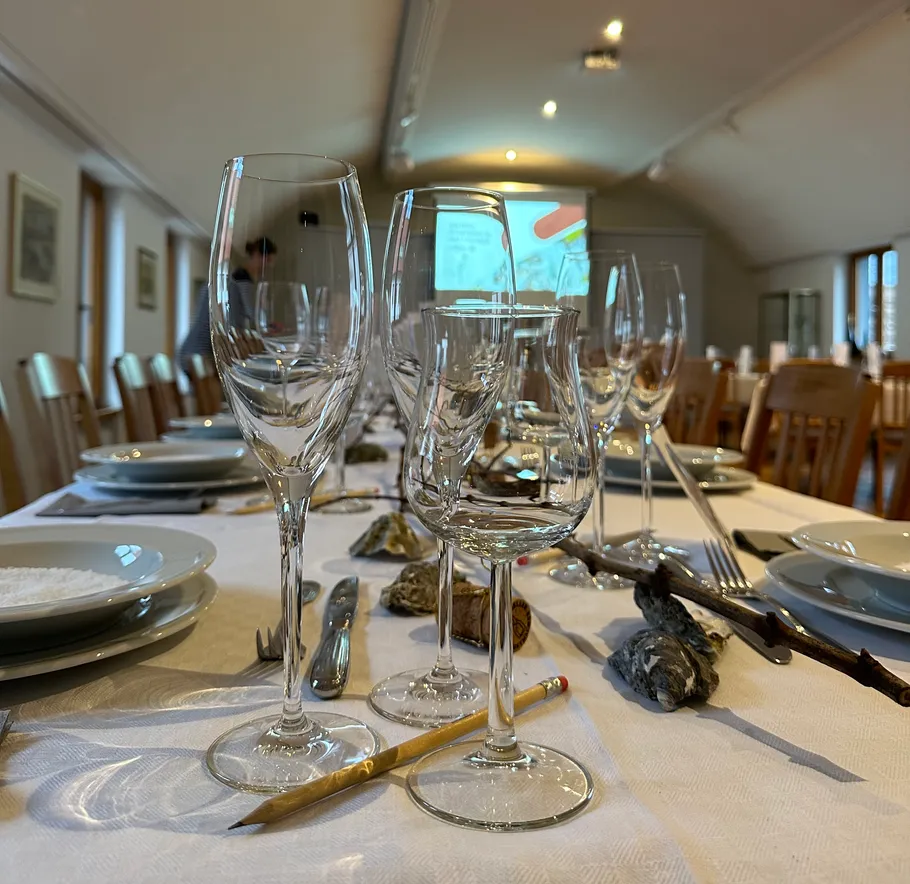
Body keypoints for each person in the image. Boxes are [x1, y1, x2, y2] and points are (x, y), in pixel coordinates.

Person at [178, 236, 276, 373]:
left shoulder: (234, 279)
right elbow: (252, 314)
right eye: (268, 260)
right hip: (200, 353)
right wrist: (268, 320)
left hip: (193, 351)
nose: (269, 266)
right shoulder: (242, 279)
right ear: (257, 255)